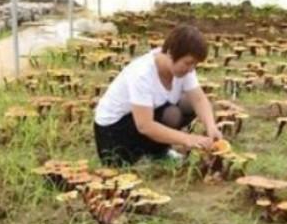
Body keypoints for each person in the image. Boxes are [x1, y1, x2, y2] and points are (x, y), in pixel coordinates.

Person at [93, 24, 221, 165]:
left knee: (187, 104)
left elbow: (198, 99)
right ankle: (147, 154)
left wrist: (211, 126)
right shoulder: (142, 73)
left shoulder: (183, 69)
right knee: (171, 113)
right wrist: (188, 139)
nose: (191, 70)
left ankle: (158, 151)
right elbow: (145, 126)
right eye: (188, 63)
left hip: (139, 121)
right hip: (114, 133)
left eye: (194, 65)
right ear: (171, 53)